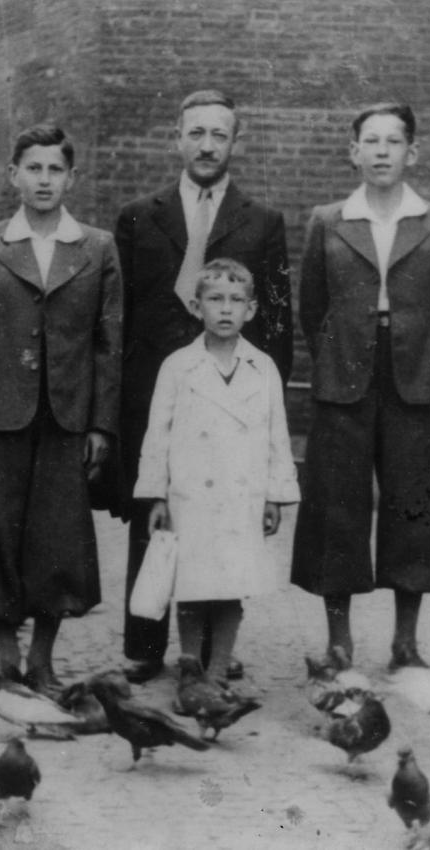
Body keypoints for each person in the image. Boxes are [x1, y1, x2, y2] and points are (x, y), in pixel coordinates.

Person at [116, 89, 293, 683]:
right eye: (197, 133)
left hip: (230, 394)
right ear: (178, 138)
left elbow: (275, 318)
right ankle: (144, 644)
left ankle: (216, 650)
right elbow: (120, 316)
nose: (208, 145)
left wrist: (259, 404)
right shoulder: (140, 215)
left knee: (221, 525)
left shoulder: (262, 221)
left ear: (235, 142)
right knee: (159, 518)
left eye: (220, 134)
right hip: (156, 388)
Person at [291, 103, 430, 672]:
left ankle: (405, 642)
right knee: (336, 506)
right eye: (372, 141)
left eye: (395, 141)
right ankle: (339, 641)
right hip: (343, 379)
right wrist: (339, 358)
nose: (383, 151)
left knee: (412, 507)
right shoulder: (328, 219)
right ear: (354, 151)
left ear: (412, 152)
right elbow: (311, 306)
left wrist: (419, 356)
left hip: (413, 381)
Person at [0, 124, 122, 695]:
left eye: (55, 170)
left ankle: (43, 659)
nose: (44, 180)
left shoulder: (95, 246)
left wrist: (100, 423)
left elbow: (107, 344)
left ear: (72, 177)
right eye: (34, 168)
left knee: (57, 540)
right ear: (13, 175)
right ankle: (4, 658)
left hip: (66, 419)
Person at [134, 258, 299, 689]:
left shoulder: (262, 368)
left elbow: (277, 436)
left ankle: (220, 668)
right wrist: (157, 495)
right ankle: (190, 666)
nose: (225, 310)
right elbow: (158, 435)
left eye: (236, 300)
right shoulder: (177, 366)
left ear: (252, 308)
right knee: (193, 584)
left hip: (240, 497)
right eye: (215, 300)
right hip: (191, 496)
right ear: (196, 306)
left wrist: (274, 496)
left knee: (231, 585)